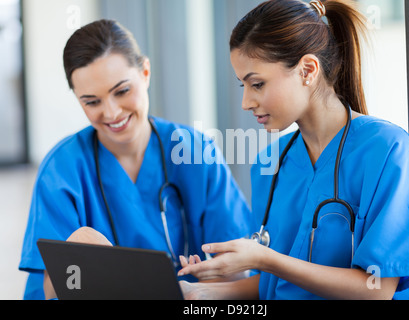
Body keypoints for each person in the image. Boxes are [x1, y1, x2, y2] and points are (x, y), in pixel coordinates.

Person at [178, 0, 409, 300]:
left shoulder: (389, 152)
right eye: (242, 86)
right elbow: (273, 285)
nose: (246, 102)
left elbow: (377, 289)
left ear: (307, 70)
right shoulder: (269, 163)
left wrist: (262, 258)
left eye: (257, 84)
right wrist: (201, 291)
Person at [19, 19, 252, 300]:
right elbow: (49, 291)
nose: (112, 112)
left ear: (145, 72)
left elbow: (239, 271)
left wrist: (209, 281)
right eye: (92, 102)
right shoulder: (61, 170)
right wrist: (76, 257)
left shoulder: (195, 151)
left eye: (122, 91)